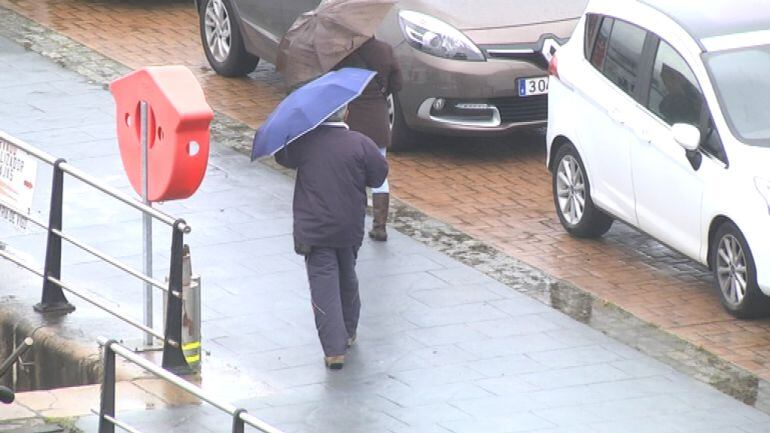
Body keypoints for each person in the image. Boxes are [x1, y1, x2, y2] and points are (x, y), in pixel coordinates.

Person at [275, 104, 388, 370]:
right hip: (349, 226)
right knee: (348, 274)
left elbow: (282, 156)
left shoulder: (306, 142)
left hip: (315, 229)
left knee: (323, 282)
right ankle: (349, 332)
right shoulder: (360, 143)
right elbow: (378, 175)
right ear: (347, 114)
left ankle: (334, 350)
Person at [336, 36, 403, 241]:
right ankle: (380, 226)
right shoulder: (385, 49)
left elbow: (336, 83)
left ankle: (352, 222)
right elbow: (398, 84)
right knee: (380, 175)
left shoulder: (345, 52)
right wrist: (381, 93)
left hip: (354, 121)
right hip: (378, 121)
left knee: (352, 174)